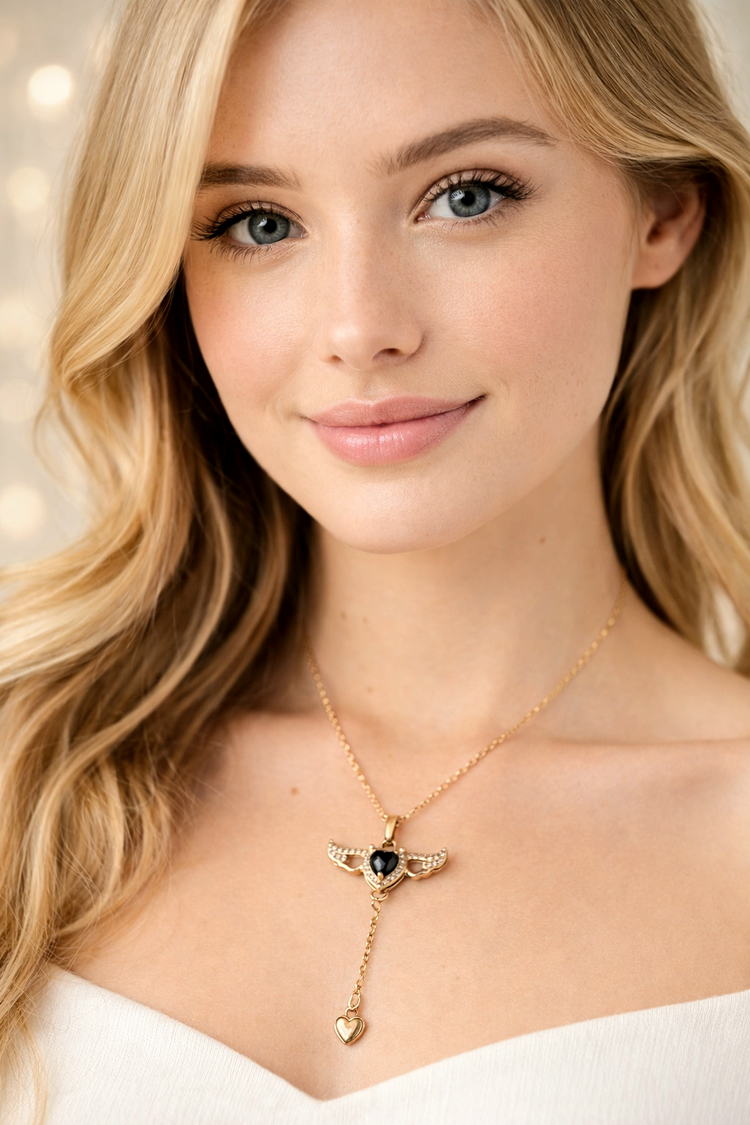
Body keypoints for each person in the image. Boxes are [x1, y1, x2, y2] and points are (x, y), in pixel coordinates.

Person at [3, 0, 750, 1120]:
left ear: (665, 213)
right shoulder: (27, 775)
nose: (359, 329)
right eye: (259, 222)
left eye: (466, 196)